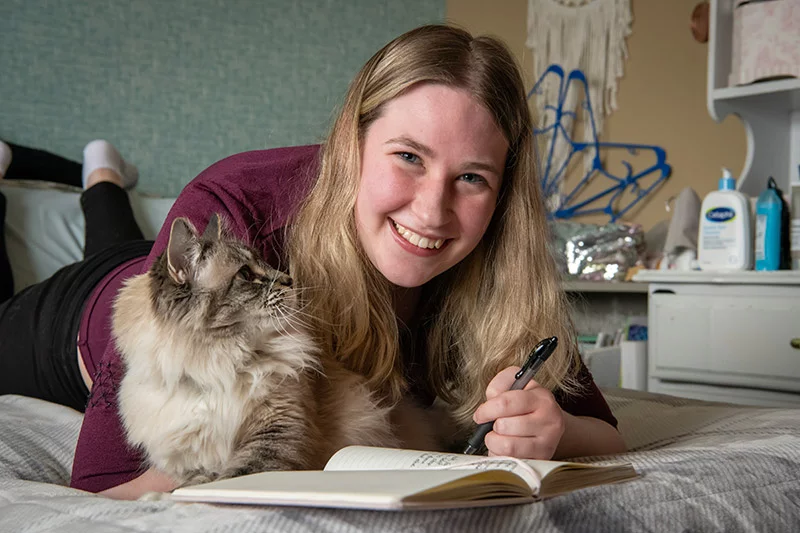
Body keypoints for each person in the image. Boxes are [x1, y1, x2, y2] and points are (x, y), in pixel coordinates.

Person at [0, 24, 626, 500]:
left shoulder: (500, 255)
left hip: (160, 265)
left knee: (120, 240)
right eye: (408, 156)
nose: (433, 212)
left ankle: (103, 174)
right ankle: (85, 173)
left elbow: (603, 431)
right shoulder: (237, 206)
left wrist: (554, 430)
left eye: (471, 177)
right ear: (351, 142)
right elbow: (107, 485)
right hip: (67, 320)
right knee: (100, 262)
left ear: (502, 190)